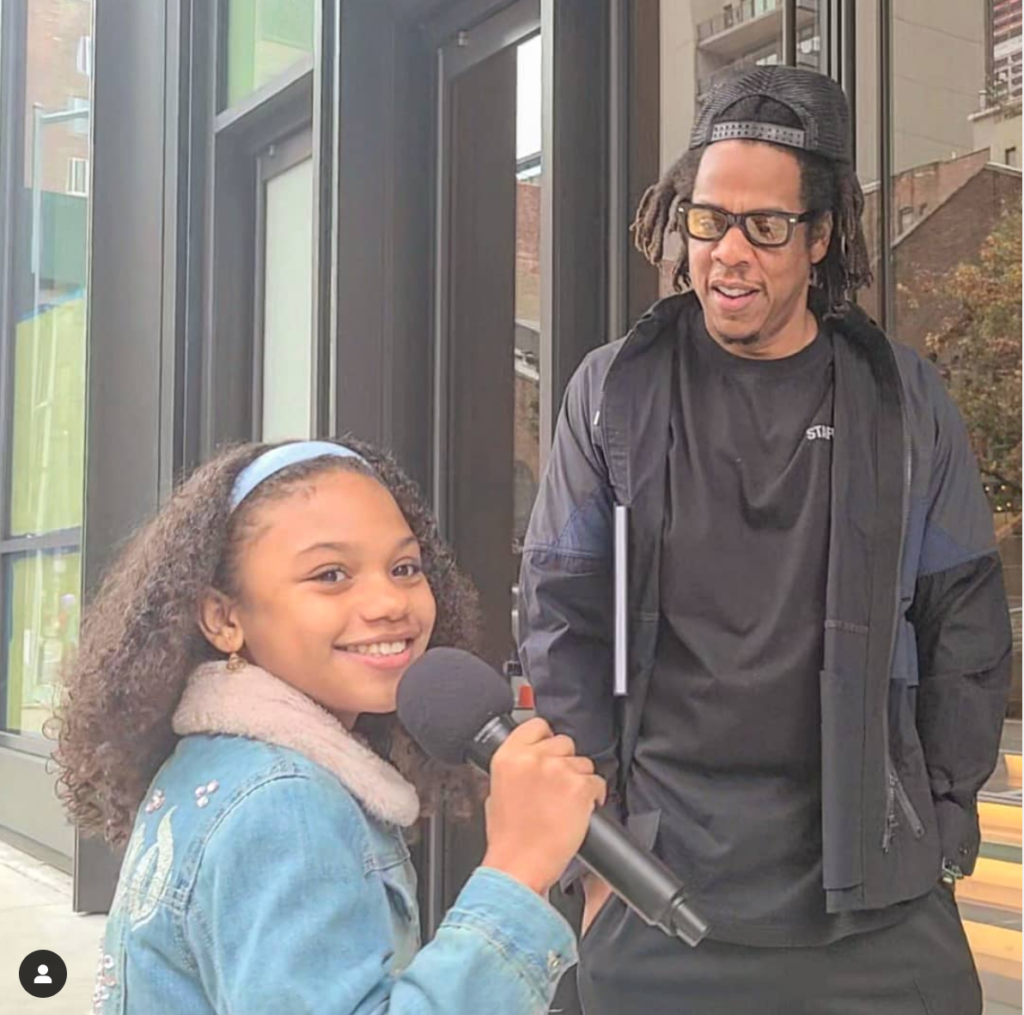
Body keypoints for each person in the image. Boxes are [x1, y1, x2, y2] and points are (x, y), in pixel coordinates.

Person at [518, 66, 1012, 1015]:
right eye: (708, 221)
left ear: (820, 237)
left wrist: (942, 825)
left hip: (876, 907)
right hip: (659, 889)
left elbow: (966, 626)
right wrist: (595, 852)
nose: (729, 254)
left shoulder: (903, 399)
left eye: (766, 227)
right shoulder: (614, 391)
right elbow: (561, 620)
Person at [52, 438, 605, 1014]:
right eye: (331, 574)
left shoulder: (217, 763)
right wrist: (519, 868)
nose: (389, 601)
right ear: (223, 617)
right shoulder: (282, 805)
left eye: (405, 568)